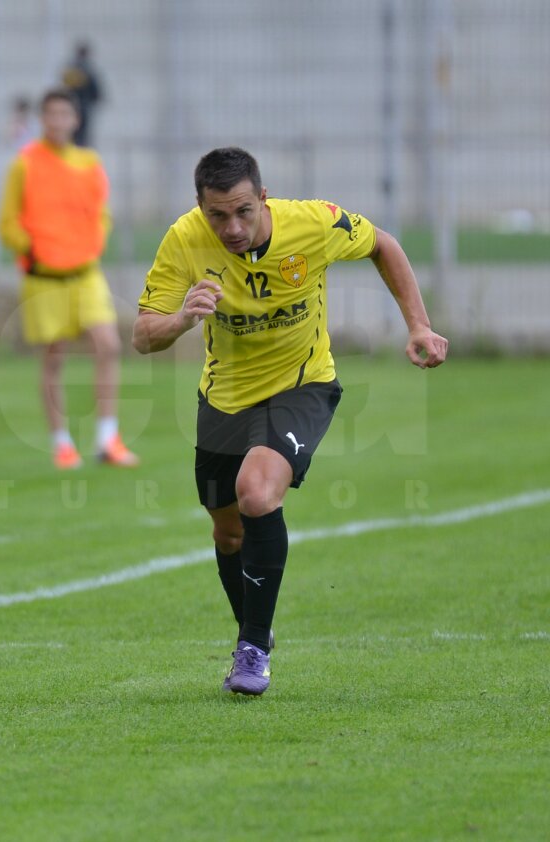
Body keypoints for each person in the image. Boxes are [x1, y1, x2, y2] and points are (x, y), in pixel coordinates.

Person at [132, 147, 448, 695]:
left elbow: (383, 245)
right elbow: (143, 335)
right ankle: (256, 630)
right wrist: (184, 317)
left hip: (303, 384)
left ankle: (251, 650)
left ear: (264, 197)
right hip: (224, 398)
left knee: (256, 492)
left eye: (243, 211)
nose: (232, 227)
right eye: (218, 216)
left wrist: (418, 325)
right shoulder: (184, 238)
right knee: (228, 531)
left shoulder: (313, 223)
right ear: (199, 208)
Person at [0, 89, 138, 470]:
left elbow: (101, 213)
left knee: (107, 344)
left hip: (85, 273)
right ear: (43, 119)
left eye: (64, 114)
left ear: (75, 120)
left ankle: (108, 438)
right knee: (54, 356)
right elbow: (7, 221)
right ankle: (62, 441)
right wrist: (32, 249)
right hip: (45, 278)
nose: (58, 121)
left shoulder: (89, 163)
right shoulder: (25, 164)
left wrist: (93, 242)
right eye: (51, 115)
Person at [60, 41, 103, 148]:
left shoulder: (69, 69)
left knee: (69, 134)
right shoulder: (88, 70)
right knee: (83, 138)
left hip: (70, 107)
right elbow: (96, 92)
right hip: (84, 107)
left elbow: (63, 88)